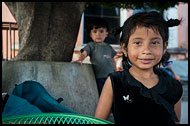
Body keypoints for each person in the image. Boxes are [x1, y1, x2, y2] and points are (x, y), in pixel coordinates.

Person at [94, 11, 183, 124]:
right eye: (137, 43)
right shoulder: (115, 81)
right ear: (125, 48)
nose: (146, 50)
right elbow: (97, 122)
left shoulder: (174, 87)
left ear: (164, 47)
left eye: (154, 42)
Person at [72, 18, 117, 95]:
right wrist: (80, 59)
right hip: (99, 77)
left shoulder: (109, 47)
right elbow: (84, 53)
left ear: (106, 33)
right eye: (95, 32)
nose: (98, 34)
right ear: (90, 34)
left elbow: (113, 60)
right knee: (101, 94)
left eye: (101, 31)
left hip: (111, 76)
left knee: (112, 94)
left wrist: (116, 70)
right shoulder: (91, 45)